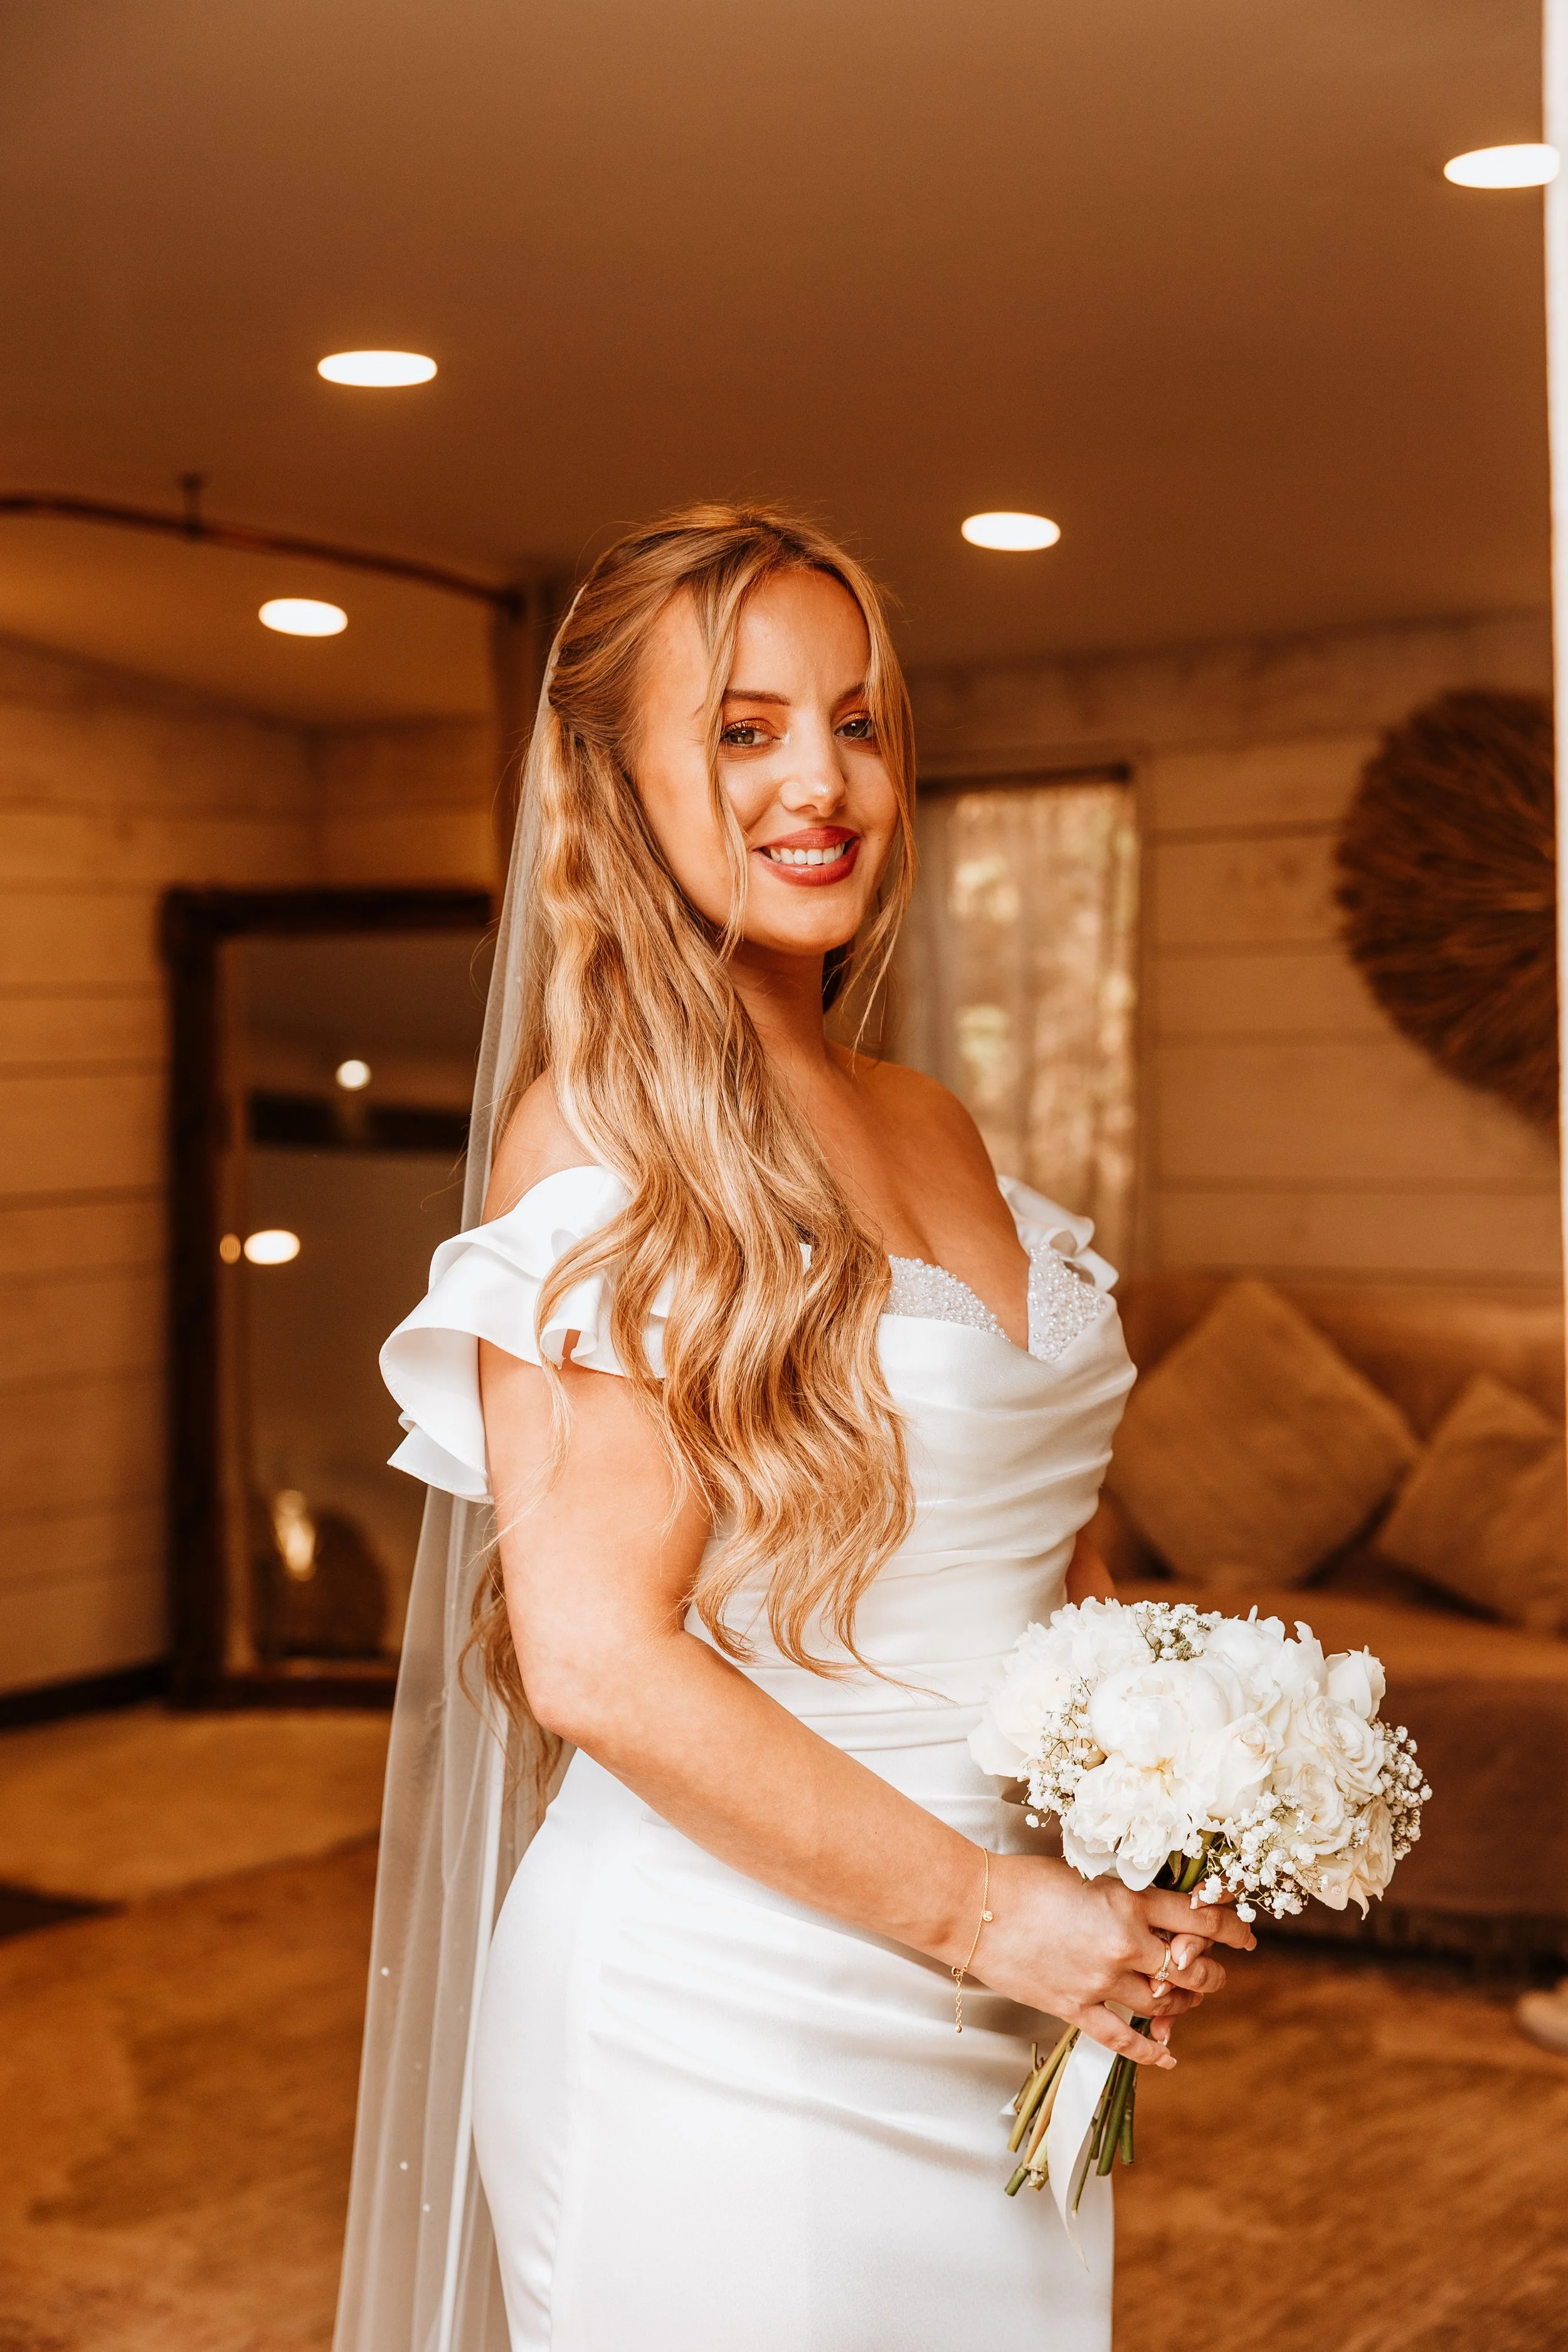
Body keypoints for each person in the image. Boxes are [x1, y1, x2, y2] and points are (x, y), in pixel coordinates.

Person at [342, 505, 1253, 2352]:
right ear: (612, 779)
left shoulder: (928, 1115)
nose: (820, 780)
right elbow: (593, 1659)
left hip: (996, 1998)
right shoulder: (597, 1133)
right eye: (742, 728)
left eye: (859, 719)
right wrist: (990, 1911)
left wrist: (1166, 1789)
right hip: (715, 2008)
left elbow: (1027, 1529)